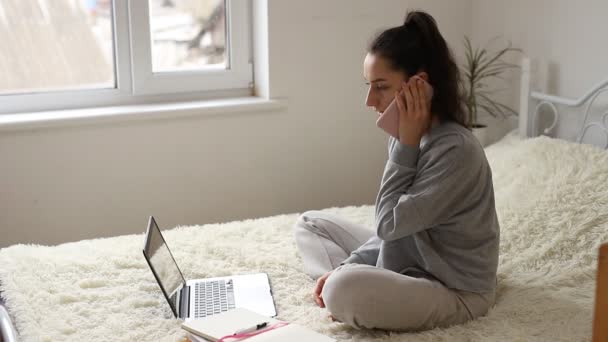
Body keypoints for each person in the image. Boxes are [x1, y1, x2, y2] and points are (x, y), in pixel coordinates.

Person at [293, 10, 500, 332]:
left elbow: (389, 225)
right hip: (408, 259)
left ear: (419, 85)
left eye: (381, 86)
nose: (369, 100)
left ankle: (348, 290)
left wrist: (406, 145)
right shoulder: (409, 136)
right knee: (311, 224)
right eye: (368, 85)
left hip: (453, 289)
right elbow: (394, 234)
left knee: (343, 289)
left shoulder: (455, 150)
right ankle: (350, 284)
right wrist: (349, 265)